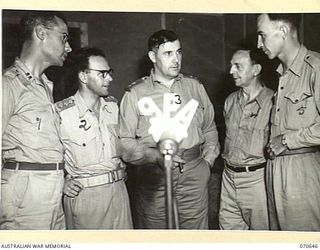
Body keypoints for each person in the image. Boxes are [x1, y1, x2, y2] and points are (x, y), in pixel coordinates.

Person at [119, 29, 220, 229]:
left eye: (179, 52)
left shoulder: (194, 87)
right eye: (168, 54)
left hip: (193, 173)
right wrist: (154, 156)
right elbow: (124, 143)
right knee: (156, 234)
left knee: (195, 237)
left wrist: (207, 164)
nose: (176, 59)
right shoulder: (135, 93)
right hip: (154, 176)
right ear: (152, 56)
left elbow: (210, 128)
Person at [1, 11, 72, 230]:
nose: (68, 47)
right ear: (41, 33)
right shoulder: (9, 84)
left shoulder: (43, 86)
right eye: (64, 38)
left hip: (51, 191)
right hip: (25, 196)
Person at [55, 47, 132, 229]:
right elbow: (45, 155)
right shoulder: (62, 113)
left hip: (119, 192)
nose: (110, 78)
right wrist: (61, 182)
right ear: (83, 76)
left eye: (109, 72)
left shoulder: (114, 107)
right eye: (103, 74)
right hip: (86, 197)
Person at [257, 13, 320, 231]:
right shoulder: (281, 74)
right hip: (275, 170)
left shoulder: (315, 68)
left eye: (262, 35)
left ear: (282, 31)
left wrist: (286, 140)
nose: (259, 44)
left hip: (302, 172)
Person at [219, 48, 273, 230]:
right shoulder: (230, 101)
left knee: (262, 239)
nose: (231, 71)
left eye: (238, 67)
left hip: (257, 181)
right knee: (229, 238)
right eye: (231, 66)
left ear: (255, 70)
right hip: (228, 178)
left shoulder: (272, 102)